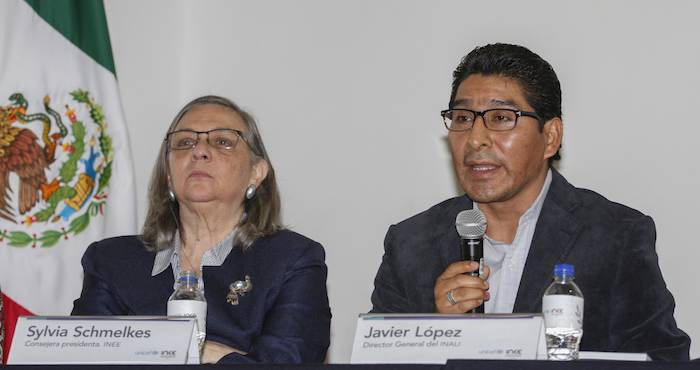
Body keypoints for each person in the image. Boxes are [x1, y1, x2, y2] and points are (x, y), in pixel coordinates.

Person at [370, 43, 690, 361]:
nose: (475, 138)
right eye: (463, 117)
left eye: (500, 117)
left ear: (550, 136)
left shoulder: (615, 236)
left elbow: (663, 359)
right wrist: (436, 331)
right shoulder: (410, 244)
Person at [73, 95, 331, 363]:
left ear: (256, 172)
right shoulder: (110, 260)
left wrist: (158, 350)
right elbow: (86, 357)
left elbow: (289, 362)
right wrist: (218, 353)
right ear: (169, 176)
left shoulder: (292, 259)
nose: (199, 151)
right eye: (185, 142)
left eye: (222, 142)